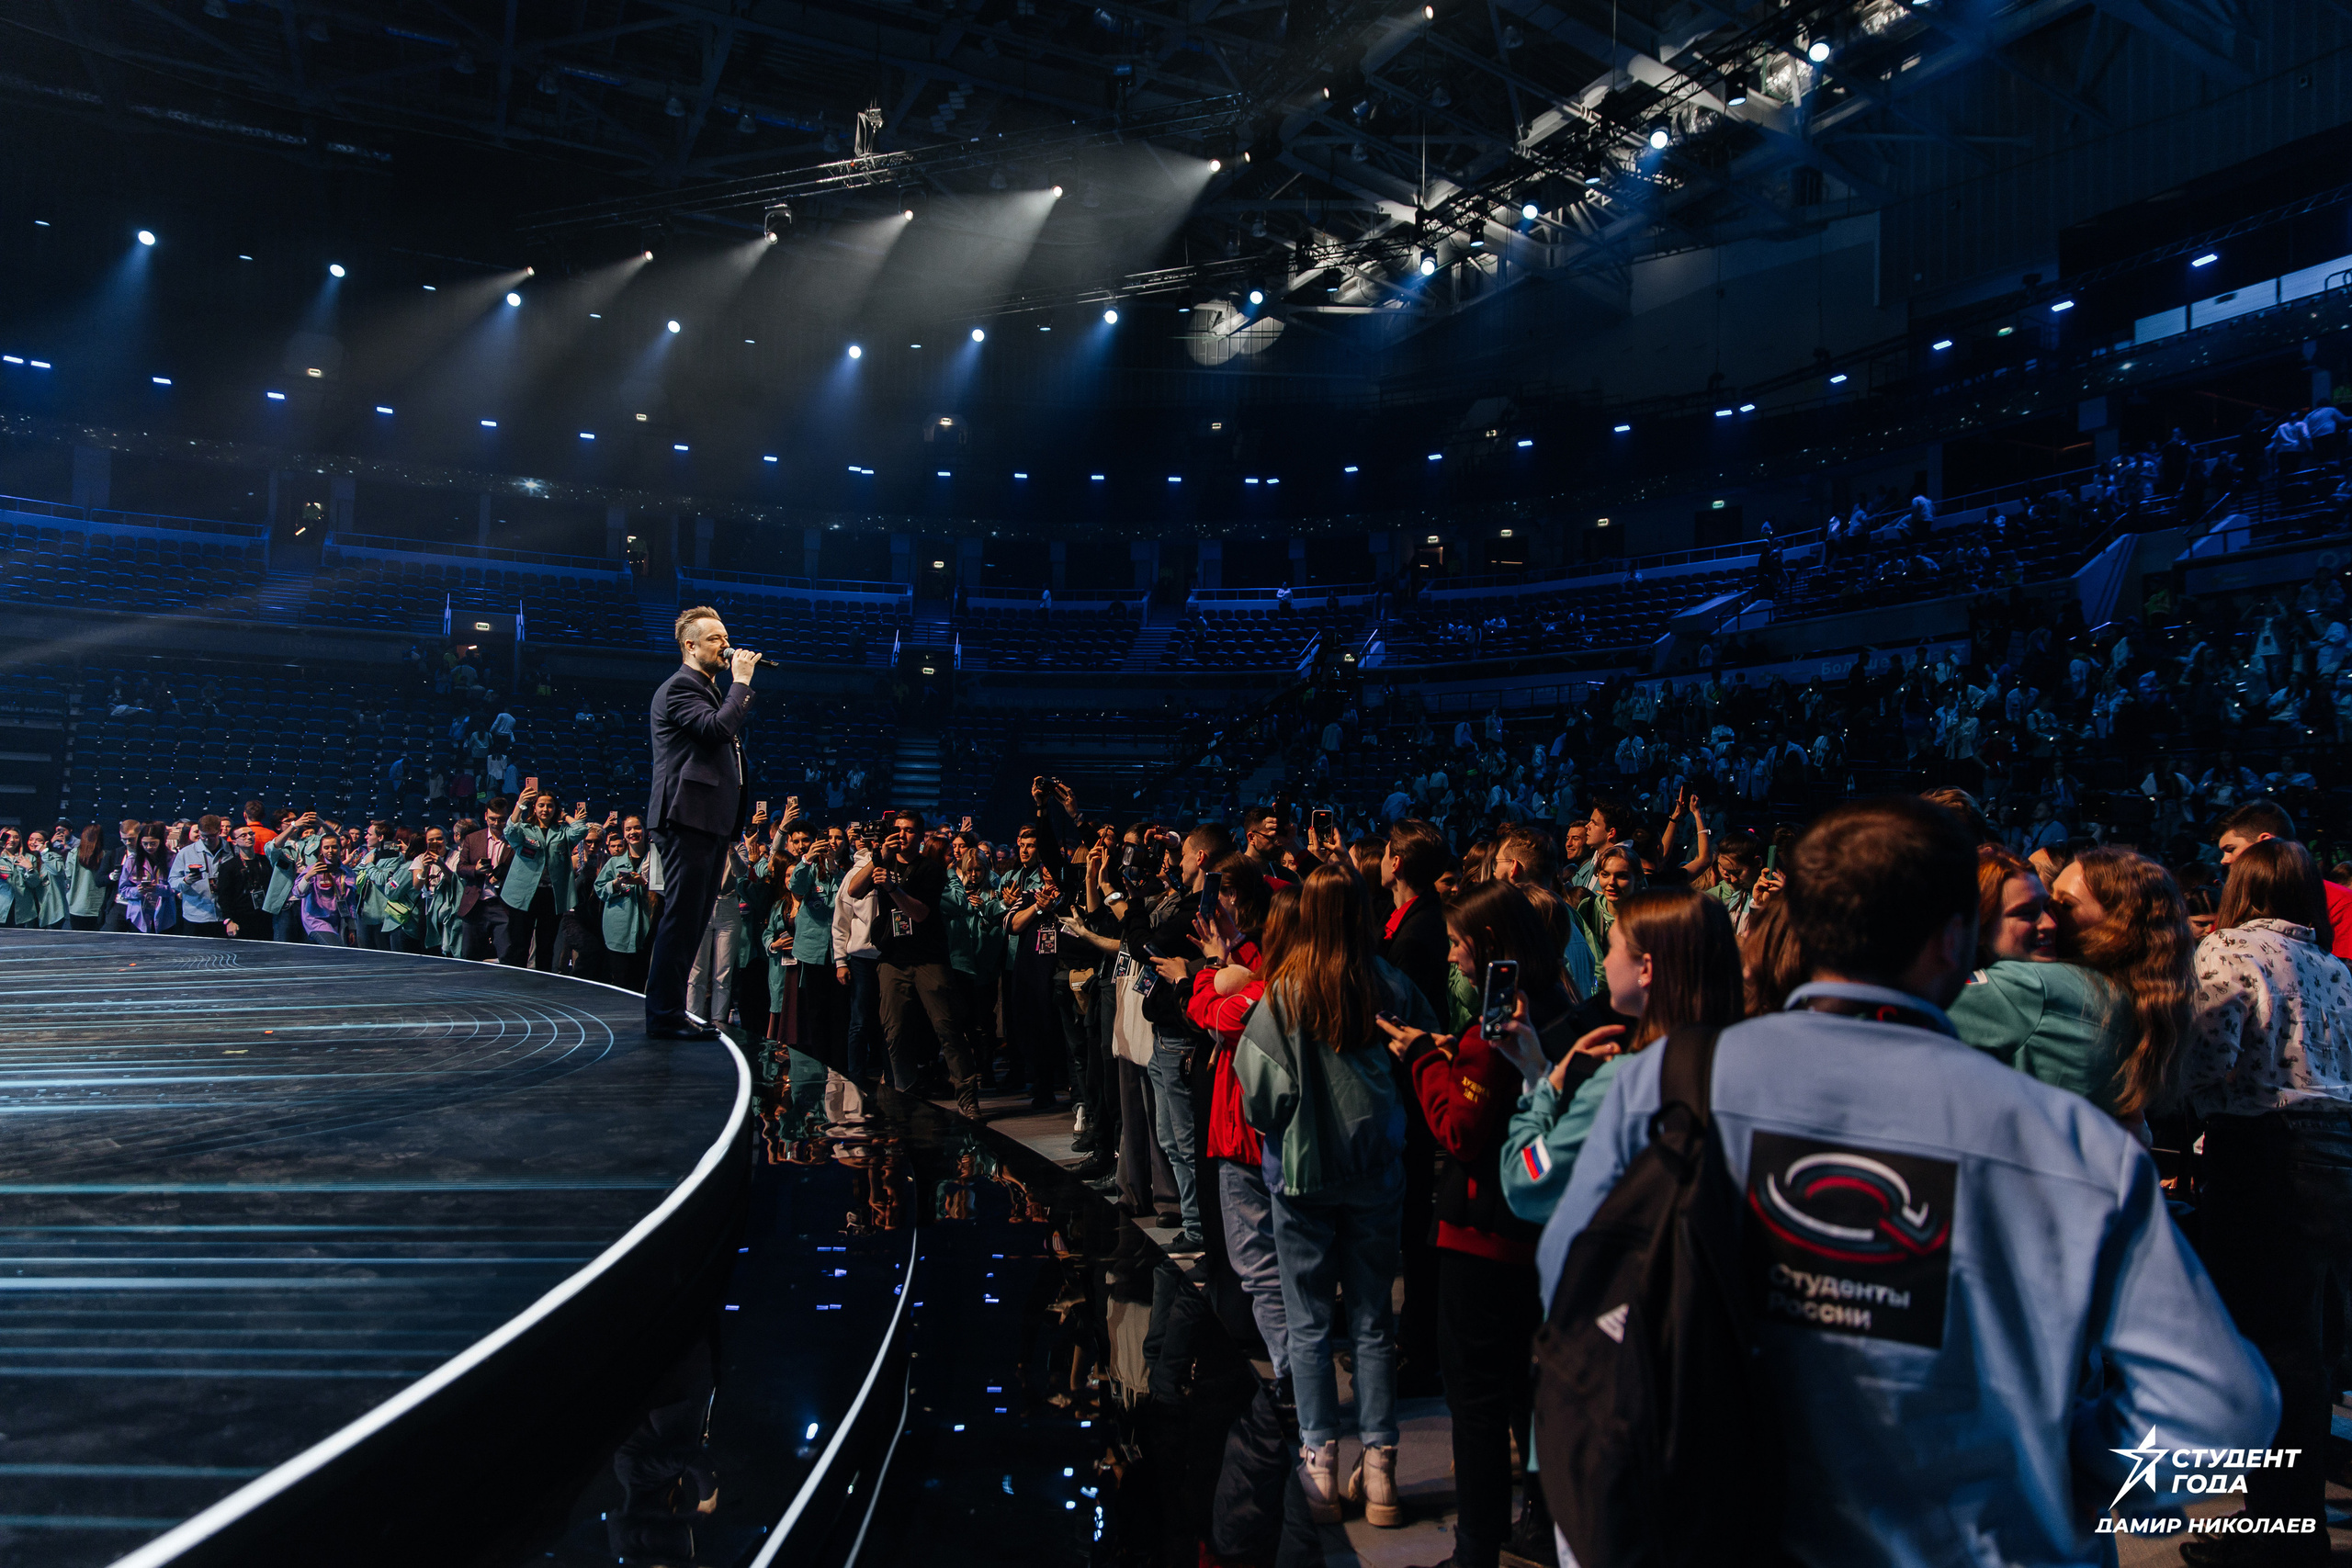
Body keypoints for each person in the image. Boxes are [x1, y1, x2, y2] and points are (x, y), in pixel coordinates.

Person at [1533, 796, 2278, 1565]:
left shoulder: (1659, 1082)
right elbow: (2223, 1411)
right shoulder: (2072, 1144)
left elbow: (1575, 1282)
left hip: (1713, 1526)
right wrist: (2078, 1473)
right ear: (1957, 944)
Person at [1379, 881, 1592, 1567]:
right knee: (1530, 1391)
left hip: (1482, 1232)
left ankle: (1475, 1545)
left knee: (1474, 1399)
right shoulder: (1561, 1001)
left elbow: (1463, 1130)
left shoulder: (1500, 1020)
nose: (1450, 954)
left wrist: (1423, 1060)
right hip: (1540, 1234)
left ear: (1491, 946)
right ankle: (1537, 1522)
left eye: (1459, 942)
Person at [1234, 862, 1439, 1531]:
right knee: (1377, 1324)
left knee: (1310, 1326)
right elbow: (1429, 1051)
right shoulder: (1390, 983)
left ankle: (1320, 1463)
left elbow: (1262, 1099)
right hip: (1379, 1173)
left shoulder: (1281, 996)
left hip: (1302, 1179)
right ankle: (1380, 1468)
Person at [2180, 838, 2352, 1557]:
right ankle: (2295, 1521)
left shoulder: (2227, 951)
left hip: (2265, 1152)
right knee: (2306, 1347)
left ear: (2241, 886)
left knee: (2263, 1346)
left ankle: (2275, 1534)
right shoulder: (2337, 968)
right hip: (2339, 1154)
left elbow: (2212, 1057)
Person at [643, 606, 759, 1040]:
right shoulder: (679, 688)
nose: (726, 645)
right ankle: (664, 1015)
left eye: (726, 636)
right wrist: (742, 684)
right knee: (682, 917)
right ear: (690, 645)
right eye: (715, 639)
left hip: (708, 821)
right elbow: (714, 730)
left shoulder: (708, 691)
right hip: (685, 817)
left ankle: (670, 1010)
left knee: (692, 919)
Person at [2214, 800, 2352, 964]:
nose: (2224, 860)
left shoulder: (2340, 902)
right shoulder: (2235, 900)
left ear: (2264, 841)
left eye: (2231, 849)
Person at [501, 789, 601, 971]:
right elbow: (509, 832)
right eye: (541, 805)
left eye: (550, 805)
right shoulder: (524, 829)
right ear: (534, 808)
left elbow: (580, 830)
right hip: (524, 895)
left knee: (546, 946)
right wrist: (519, 805)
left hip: (551, 896)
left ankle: (542, 986)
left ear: (556, 809)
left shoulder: (562, 832)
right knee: (519, 945)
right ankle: (514, 985)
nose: (545, 809)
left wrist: (566, 815)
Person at [596, 815, 657, 992]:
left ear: (645, 831)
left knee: (640, 985)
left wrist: (644, 884)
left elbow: (666, 890)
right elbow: (599, 889)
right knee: (620, 985)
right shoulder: (614, 862)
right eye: (628, 829)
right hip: (619, 933)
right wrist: (615, 884)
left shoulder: (656, 860)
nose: (633, 832)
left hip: (646, 933)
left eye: (637, 828)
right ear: (623, 834)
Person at [168, 815, 230, 938]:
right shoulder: (186, 853)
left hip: (224, 916)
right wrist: (186, 881)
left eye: (211, 836)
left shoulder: (232, 851)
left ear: (219, 831)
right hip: (196, 916)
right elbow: (172, 881)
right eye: (203, 835)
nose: (206, 840)